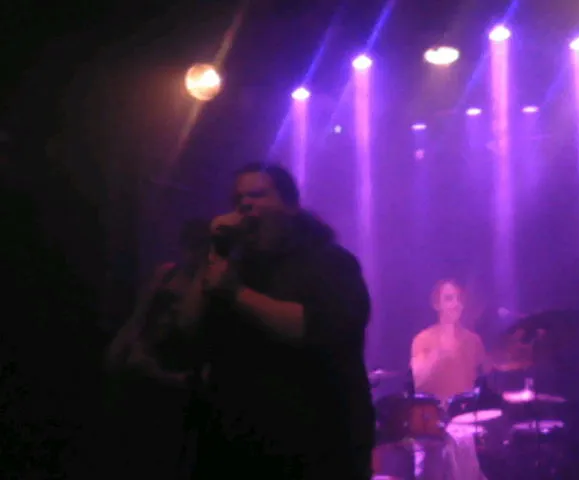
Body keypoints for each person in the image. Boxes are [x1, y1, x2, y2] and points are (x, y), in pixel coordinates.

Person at [191, 163, 375, 480]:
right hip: (242, 447)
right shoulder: (236, 268)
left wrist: (237, 293)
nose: (245, 205)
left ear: (290, 206)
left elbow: (316, 328)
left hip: (317, 447)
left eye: (257, 195)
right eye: (238, 199)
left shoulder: (330, 262)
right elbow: (189, 327)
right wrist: (215, 252)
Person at [102, 219, 211, 479]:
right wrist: (122, 347)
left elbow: (200, 370)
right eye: (190, 246)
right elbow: (139, 315)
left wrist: (160, 374)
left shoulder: (208, 287)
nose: (193, 253)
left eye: (200, 247)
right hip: (145, 368)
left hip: (174, 380)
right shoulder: (166, 274)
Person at [410, 279, 489, 480]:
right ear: (437, 304)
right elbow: (418, 381)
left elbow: (489, 374)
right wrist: (440, 351)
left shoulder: (473, 340)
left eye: (458, 299)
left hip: (466, 421)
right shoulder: (423, 339)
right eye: (449, 299)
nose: (455, 304)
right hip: (433, 424)